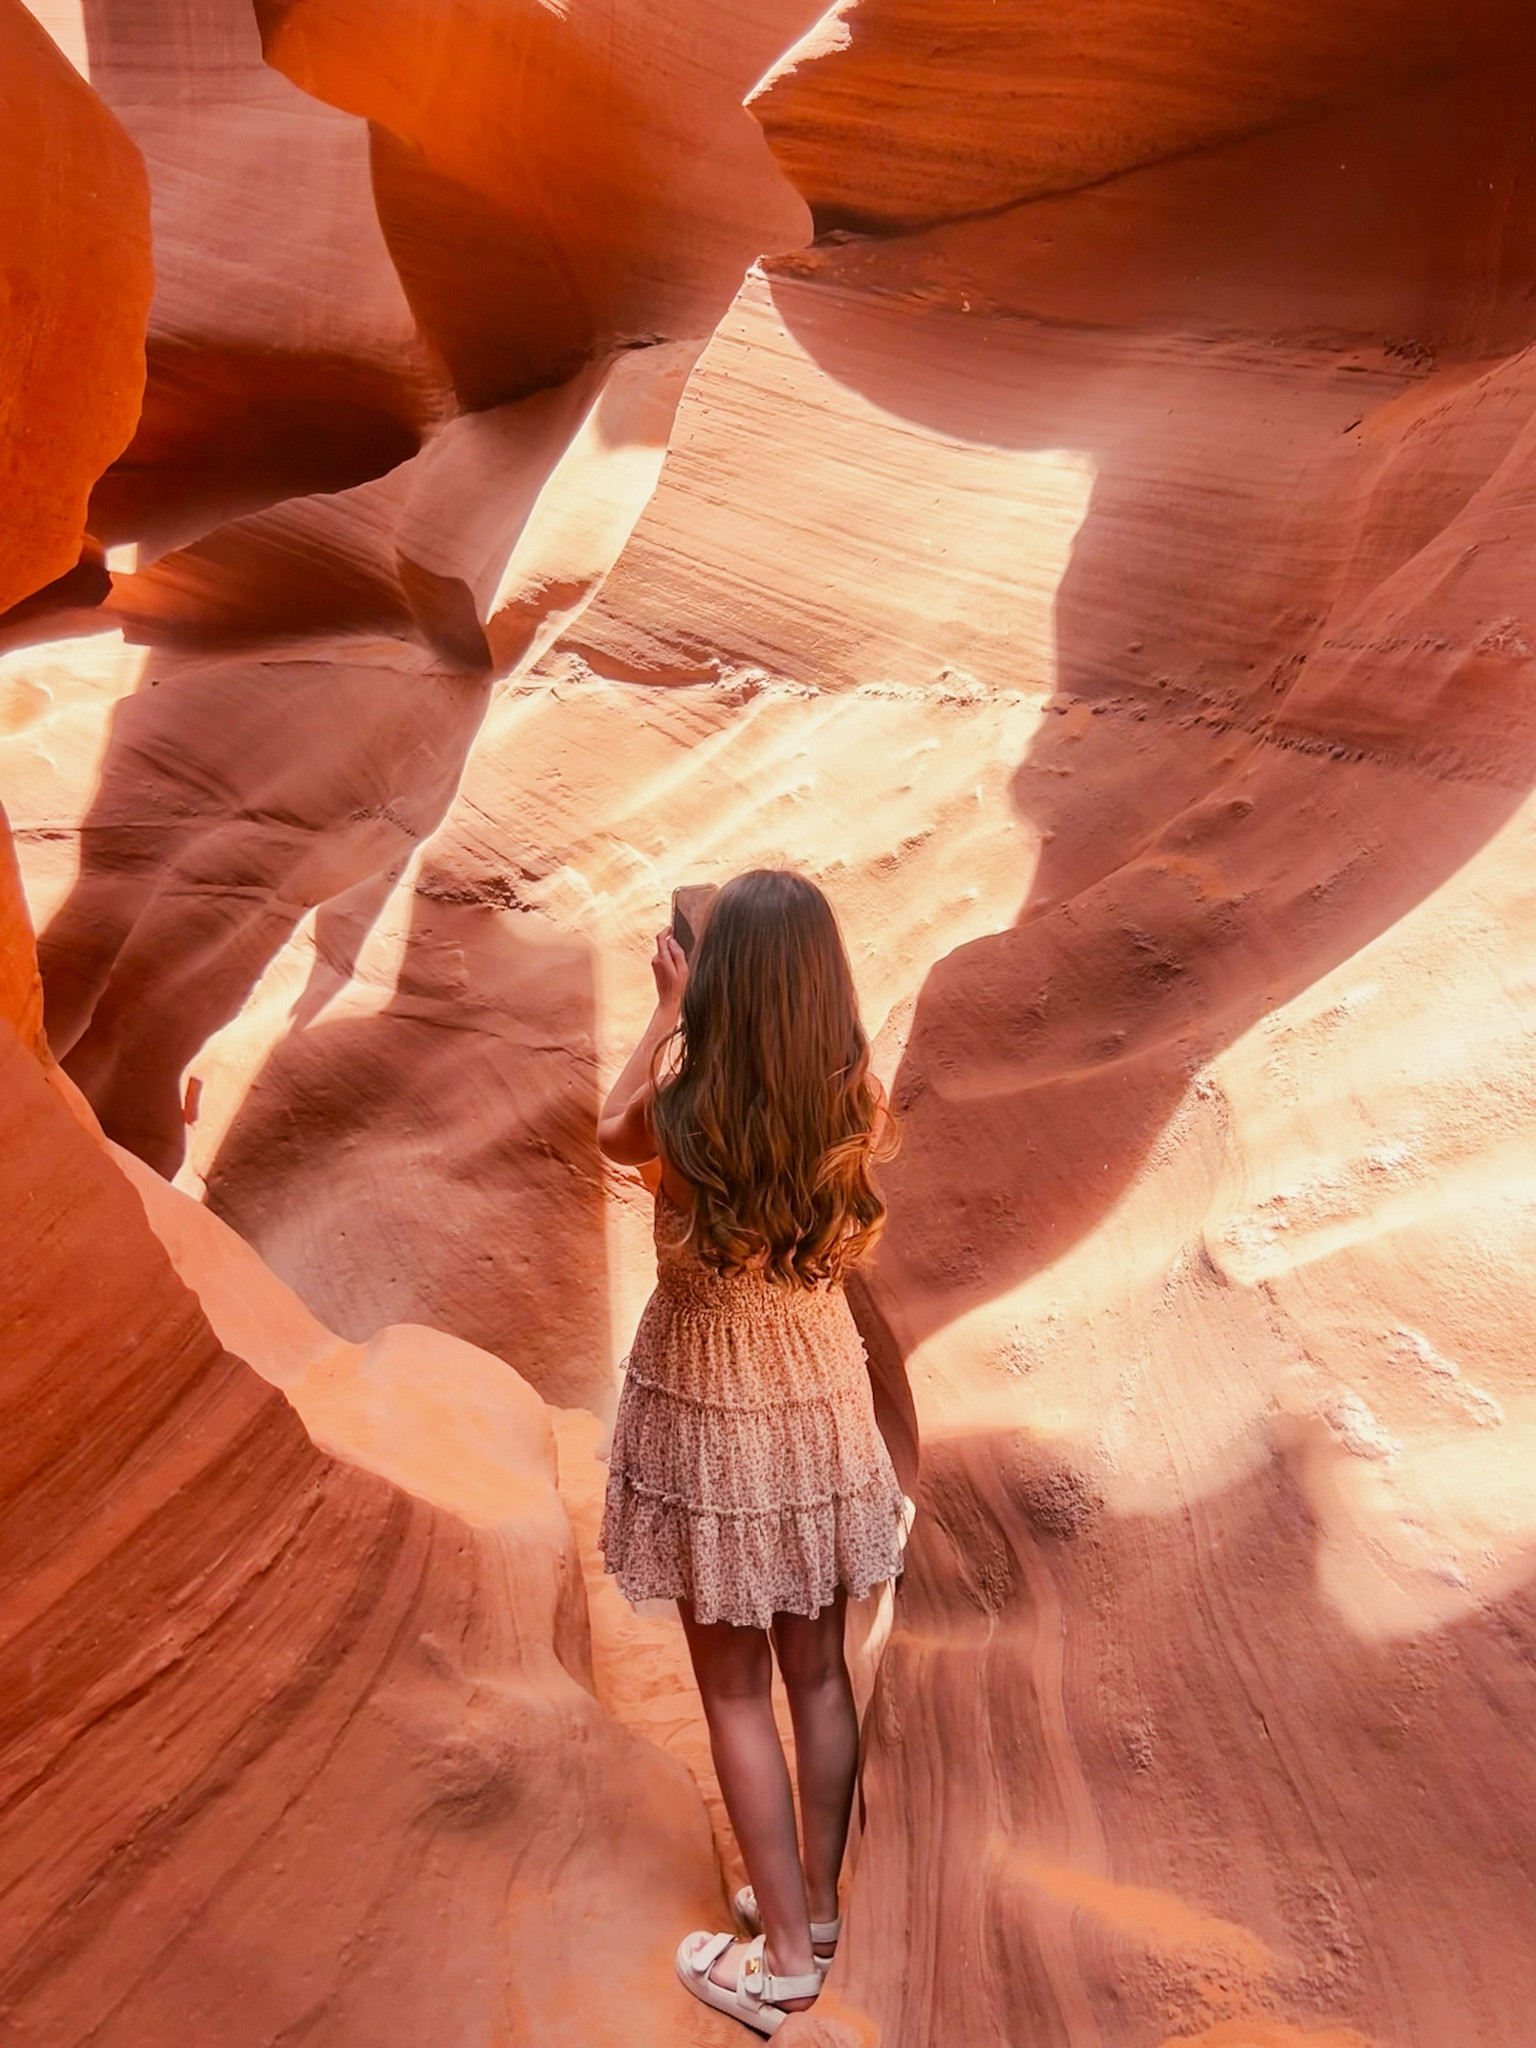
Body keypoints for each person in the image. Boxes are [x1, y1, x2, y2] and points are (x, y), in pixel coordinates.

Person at [597, 868, 907, 2037]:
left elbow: (604, 1124)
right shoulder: (849, 1099)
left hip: (718, 1413)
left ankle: (780, 1962)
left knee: (733, 1689)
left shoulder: (682, 1127)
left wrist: (667, 1012)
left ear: (715, 980)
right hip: (818, 1401)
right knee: (815, 1670)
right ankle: (813, 1908)